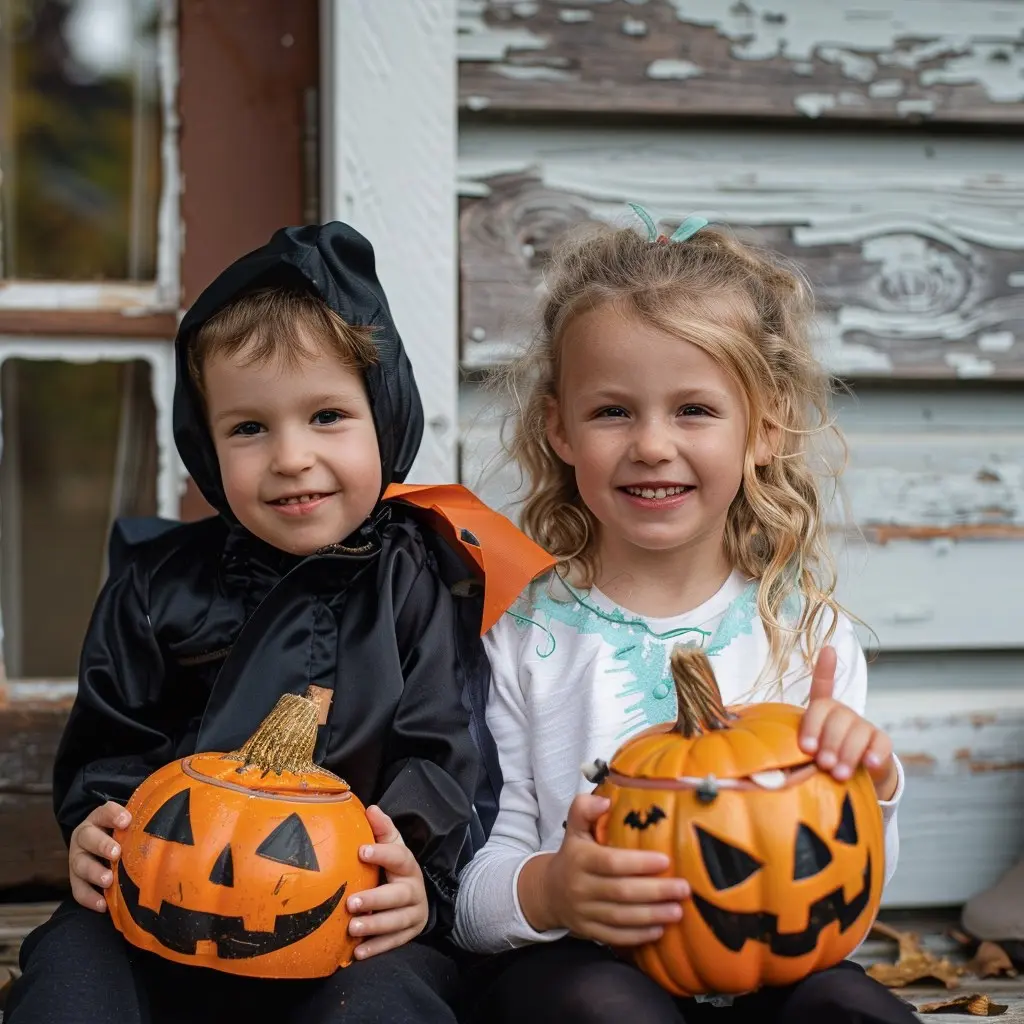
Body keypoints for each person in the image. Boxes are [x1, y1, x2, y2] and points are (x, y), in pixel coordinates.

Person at [6, 222, 548, 1024]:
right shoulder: (159, 583)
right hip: (159, 909)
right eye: (249, 428)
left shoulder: (424, 579)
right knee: (71, 981)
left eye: (326, 415)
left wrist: (412, 869)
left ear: (384, 419)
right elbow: (113, 738)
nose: (291, 457)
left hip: (347, 921)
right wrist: (97, 821)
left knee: (385, 1002)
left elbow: (442, 748)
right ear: (207, 446)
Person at [452, 210, 918, 1023]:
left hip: (772, 968)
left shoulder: (805, 635)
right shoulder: (521, 634)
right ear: (559, 427)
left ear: (764, 426)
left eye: (694, 410)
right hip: (585, 969)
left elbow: (849, 893)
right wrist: (555, 890)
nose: (653, 445)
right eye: (613, 412)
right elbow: (473, 897)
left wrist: (873, 788)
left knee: (852, 1009)